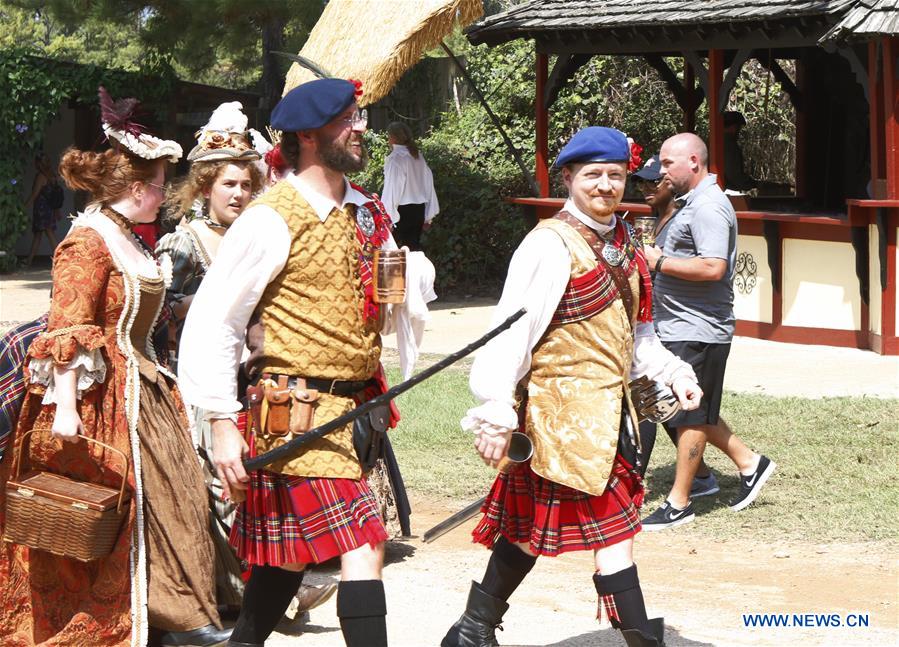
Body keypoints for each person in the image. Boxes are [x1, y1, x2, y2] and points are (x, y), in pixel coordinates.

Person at [178, 78, 425, 647]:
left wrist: (402, 282)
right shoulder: (270, 218)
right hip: (296, 410)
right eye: (347, 121)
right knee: (364, 543)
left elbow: (383, 308)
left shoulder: (366, 210)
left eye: (359, 118)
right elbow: (217, 321)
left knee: (288, 556)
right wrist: (219, 420)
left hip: (357, 410)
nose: (360, 129)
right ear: (309, 136)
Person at [441, 127, 702, 647]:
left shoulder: (625, 239)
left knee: (534, 530)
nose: (605, 185)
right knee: (613, 536)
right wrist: (495, 407)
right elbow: (512, 332)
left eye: (615, 175)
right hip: (558, 421)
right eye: (593, 175)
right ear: (568, 178)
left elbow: (636, 331)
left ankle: (472, 630)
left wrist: (673, 371)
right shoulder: (548, 244)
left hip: (613, 417)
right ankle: (638, 639)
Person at [0, 88, 229, 647]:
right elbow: (65, 333)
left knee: (175, 497)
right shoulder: (87, 242)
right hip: (100, 400)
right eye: (158, 185)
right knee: (103, 511)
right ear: (134, 188)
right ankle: (123, 619)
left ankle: (177, 615)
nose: (163, 195)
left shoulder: (128, 236)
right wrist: (67, 412)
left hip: (144, 388)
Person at [640, 133, 776, 532]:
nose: (661, 173)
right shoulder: (689, 203)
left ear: (694, 162)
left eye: (668, 164)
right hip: (676, 324)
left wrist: (659, 262)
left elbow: (714, 267)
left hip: (698, 328)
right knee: (680, 406)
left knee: (689, 414)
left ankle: (679, 503)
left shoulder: (709, 208)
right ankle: (748, 464)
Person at [633, 156, 717, 496]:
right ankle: (704, 475)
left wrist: (660, 260)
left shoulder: (689, 216)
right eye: (640, 182)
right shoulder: (645, 220)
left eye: (653, 182)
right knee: (659, 402)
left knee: (662, 401)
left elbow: (714, 267)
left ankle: (746, 464)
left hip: (685, 324)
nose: (645, 189)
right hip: (653, 321)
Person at [380, 121, 439, 251]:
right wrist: (428, 215)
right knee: (413, 250)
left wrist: (386, 217)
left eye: (389, 136)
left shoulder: (396, 159)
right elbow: (428, 185)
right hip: (419, 211)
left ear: (393, 138)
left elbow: (392, 190)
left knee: (396, 255)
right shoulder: (417, 156)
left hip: (401, 214)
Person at [23, 153, 62, 266]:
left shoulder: (41, 176)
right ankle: (29, 260)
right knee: (39, 234)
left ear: (39, 164)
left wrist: (23, 208)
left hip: (42, 209)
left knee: (48, 233)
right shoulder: (53, 175)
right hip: (49, 209)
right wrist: (56, 210)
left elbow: (34, 194)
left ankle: (61, 259)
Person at [722, 111, 758, 192]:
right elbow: (734, 176)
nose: (739, 132)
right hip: (727, 194)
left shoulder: (712, 141)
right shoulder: (729, 145)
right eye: (739, 128)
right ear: (734, 127)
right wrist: (755, 184)